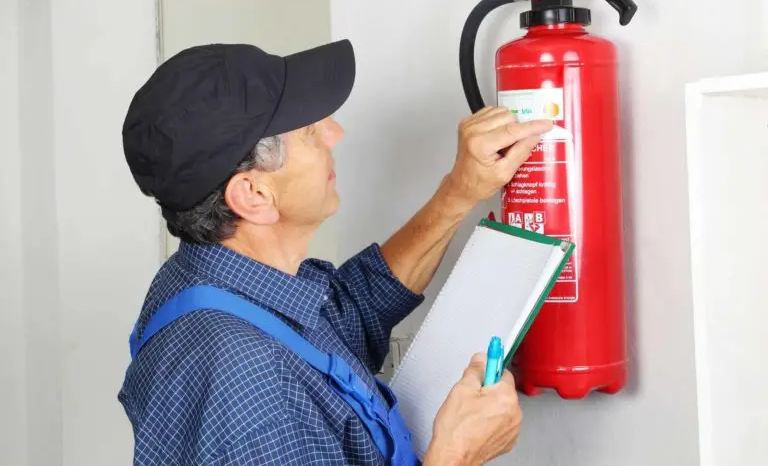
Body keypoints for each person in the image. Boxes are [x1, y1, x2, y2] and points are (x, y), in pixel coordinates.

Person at [119, 39, 553, 466]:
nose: (335, 133)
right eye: (310, 132)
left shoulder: (211, 282)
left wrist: (459, 192)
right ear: (253, 195)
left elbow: (350, 315)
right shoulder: (246, 385)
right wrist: (457, 456)